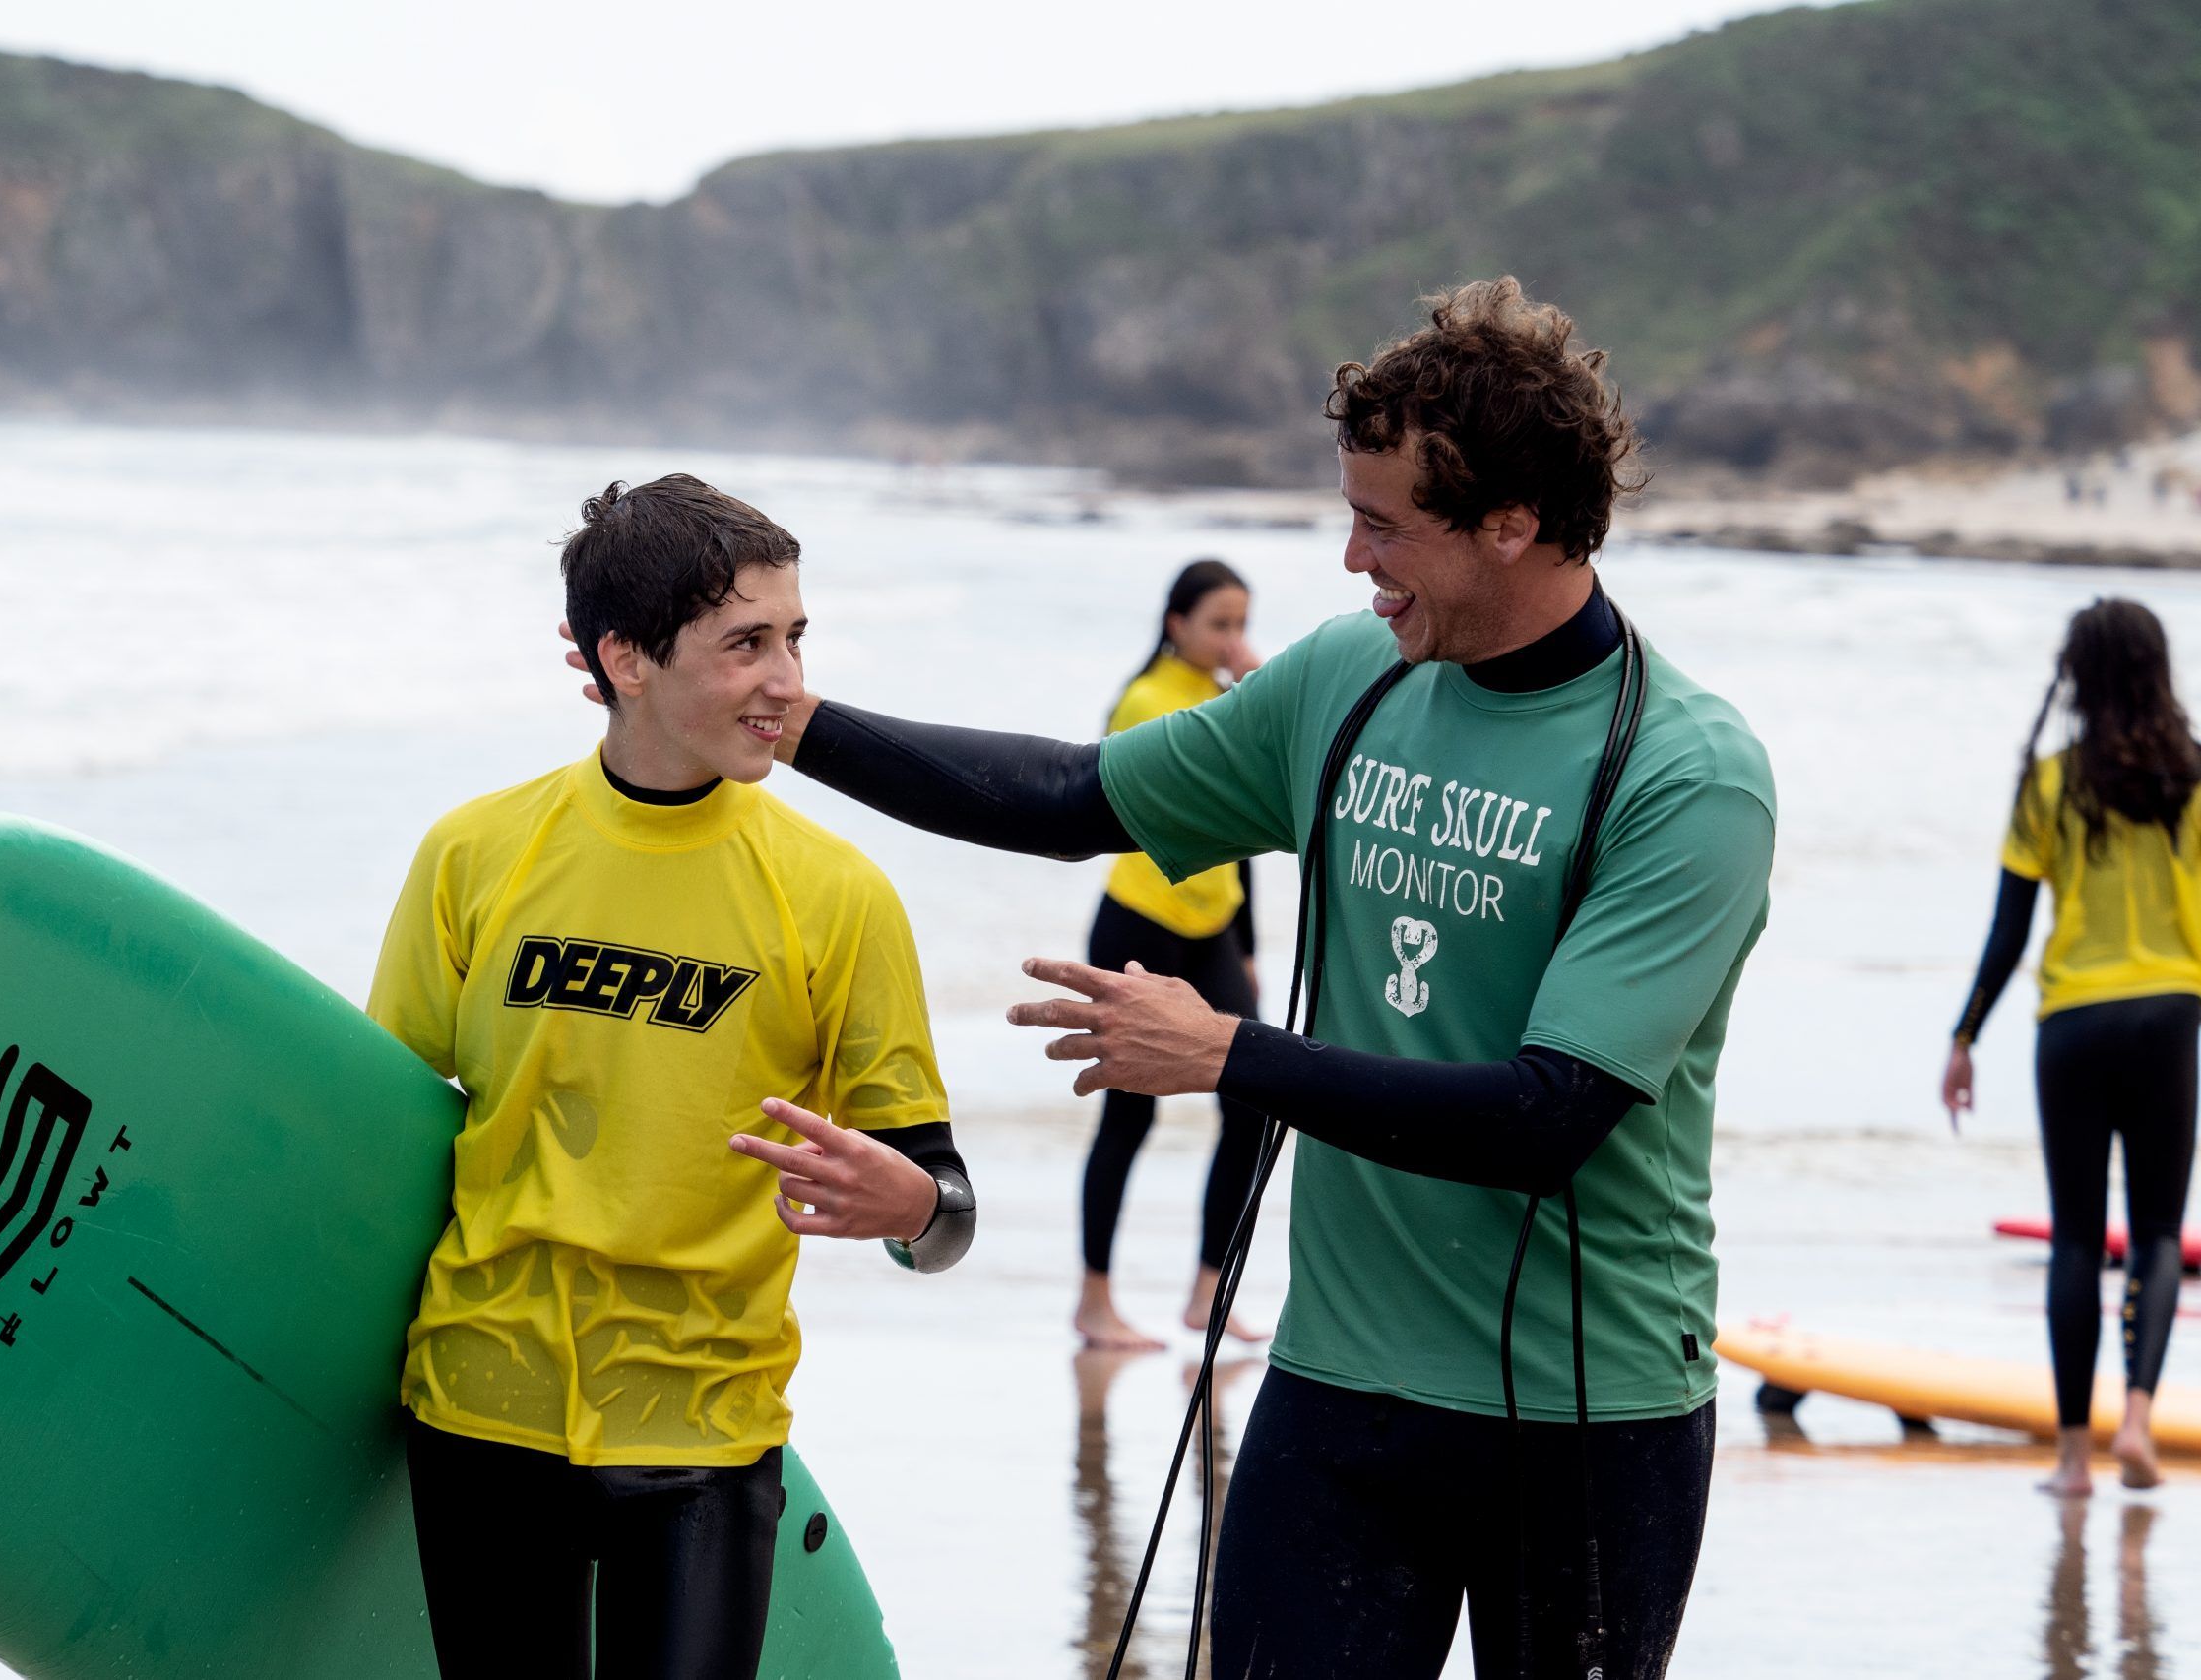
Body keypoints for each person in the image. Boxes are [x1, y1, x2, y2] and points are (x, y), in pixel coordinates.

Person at [576, 280, 1775, 1679]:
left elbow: (1546, 1115)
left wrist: (1229, 1053)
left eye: (1385, 524)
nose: (1347, 556)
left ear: (1510, 523)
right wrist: (793, 716)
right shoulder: (1354, 680)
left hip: (1590, 1409)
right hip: (1339, 1383)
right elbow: (1072, 794)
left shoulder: (1684, 772)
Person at [368, 475, 975, 1680]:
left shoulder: (836, 896)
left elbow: (941, 1208)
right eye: (746, 643)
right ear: (625, 660)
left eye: (795, 638)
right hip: (480, 1410)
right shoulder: (474, 858)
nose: (789, 681)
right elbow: (381, 1141)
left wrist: (916, 1214)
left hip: (705, 1435)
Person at [1943, 597, 2200, 1496]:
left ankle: (2072, 1459)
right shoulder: (2194, 780)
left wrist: (1964, 1034)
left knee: (2078, 1241)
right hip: (2170, 1015)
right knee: (2161, 1229)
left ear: (2080, 676)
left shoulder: (2051, 783)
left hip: (2075, 1027)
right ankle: (2136, 1415)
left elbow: (2009, 931)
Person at [1079, 558, 1268, 1351]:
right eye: (1218, 623)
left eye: (1241, 624)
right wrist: (1254, 704)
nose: (1233, 640)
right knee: (1129, 1114)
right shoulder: (1147, 702)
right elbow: (1190, 815)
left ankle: (1207, 1293)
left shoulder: (1225, 701)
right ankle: (1094, 1303)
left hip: (1214, 932)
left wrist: (1249, 946)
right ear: (1176, 624)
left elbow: (1254, 822)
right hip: (1141, 928)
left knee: (1254, 1105)